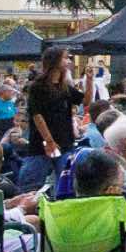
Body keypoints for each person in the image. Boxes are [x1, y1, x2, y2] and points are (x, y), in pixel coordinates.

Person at [19, 45, 84, 193]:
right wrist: (49, 141)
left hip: (65, 142)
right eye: (65, 58)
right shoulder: (38, 87)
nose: (69, 61)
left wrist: (90, 80)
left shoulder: (64, 87)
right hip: (41, 145)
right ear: (55, 61)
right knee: (31, 185)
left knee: (66, 185)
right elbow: (37, 115)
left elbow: (84, 101)